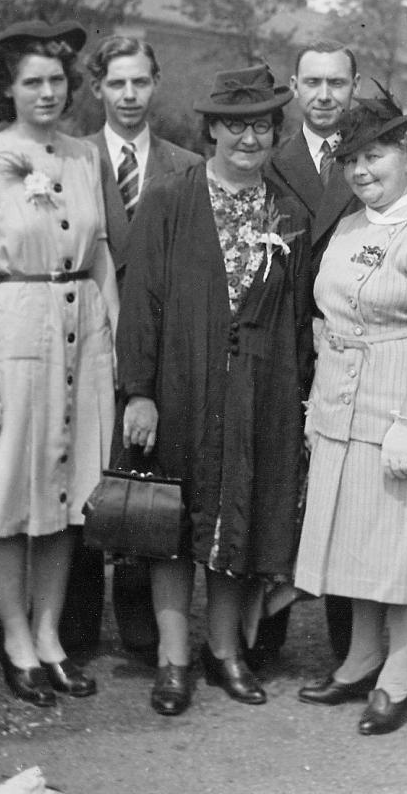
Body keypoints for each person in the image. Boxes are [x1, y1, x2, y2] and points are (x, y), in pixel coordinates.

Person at [116, 63, 313, 717]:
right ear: (211, 130)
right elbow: (140, 302)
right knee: (174, 520)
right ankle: (174, 657)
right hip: (181, 383)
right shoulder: (170, 200)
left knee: (239, 517)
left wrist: (297, 394)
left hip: (262, 389)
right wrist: (139, 391)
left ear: (275, 131)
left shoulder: (288, 213)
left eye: (260, 125)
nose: (248, 138)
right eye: (235, 124)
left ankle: (224, 649)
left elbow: (294, 317)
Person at [0, 20, 118, 706]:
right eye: (32, 82)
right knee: (7, 490)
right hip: (17, 330)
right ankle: (16, 638)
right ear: (6, 88)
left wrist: (117, 342)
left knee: (66, 495)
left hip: (84, 331)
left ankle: (50, 636)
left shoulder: (83, 156)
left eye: (56, 80)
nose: (47, 92)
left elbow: (101, 251)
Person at [295, 86, 407, 736]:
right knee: (355, 541)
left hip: (404, 410)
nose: (361, 171)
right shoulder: (347, 226)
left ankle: (398, 671)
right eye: (350, 162)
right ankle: (360, 657)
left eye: (374, 157)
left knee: (403, 547)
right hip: (341, 407)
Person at [59, 36, 201, 659]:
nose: (129, 96)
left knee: (148, 471)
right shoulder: (69, 159)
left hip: (163, 344)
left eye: (140, 82)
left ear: (156, 82)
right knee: (87, 468)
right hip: (86, 338)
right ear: (97, 89)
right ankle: (77, 626)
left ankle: (142, 625)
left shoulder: (187, 165)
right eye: (116, 84)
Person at [263, 38, 361, 662]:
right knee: (280, 483)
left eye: (337, 84)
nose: (325, 96)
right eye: (313, 83)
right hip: (286, 341)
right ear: (295, 90)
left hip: (353, 341)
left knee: (349, 490)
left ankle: (351, 647)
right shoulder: (269, 162)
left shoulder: (371, 160)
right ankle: (262, 639)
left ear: (354, 88)